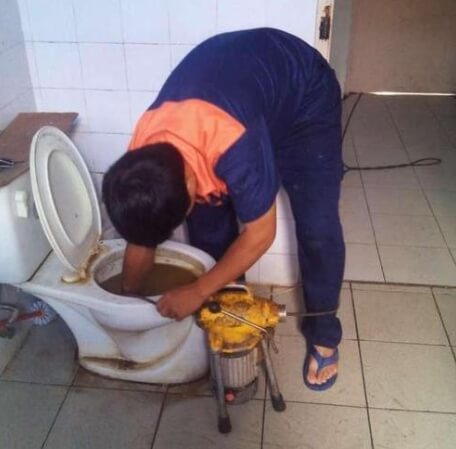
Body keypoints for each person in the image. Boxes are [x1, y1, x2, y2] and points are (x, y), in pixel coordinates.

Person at [102, 28, 344, 391]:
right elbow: (143, 234)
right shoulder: (143, 155)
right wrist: (130, 300)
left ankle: (324, 334)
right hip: (241, 99)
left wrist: (198, 291)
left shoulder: (233, 146)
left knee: (317, 227)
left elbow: (261, 234)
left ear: (190, 184)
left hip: (305, 102)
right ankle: (232, 319)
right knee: (210, 238)